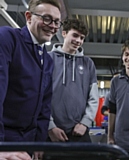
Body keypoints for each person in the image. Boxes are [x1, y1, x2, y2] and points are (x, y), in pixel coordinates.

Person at [0, 0, 61, 159]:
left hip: (28, 141)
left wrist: (38, 143)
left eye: (56, 22)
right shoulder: (9, 39)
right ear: (28, 17)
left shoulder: (47, 60)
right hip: (5, 137)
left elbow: (44, 105)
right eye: (46, 18)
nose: (53, 26)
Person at [48, 18, 99, 142]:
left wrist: (85, 123)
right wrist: (50, 126)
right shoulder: (48, 58)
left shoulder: (88, 63)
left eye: (82, 38)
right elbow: (39, 95)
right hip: (52, 132)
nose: (78, 41)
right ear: (64, 33)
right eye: (75, 35)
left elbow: (93, 98)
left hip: (79, 131)